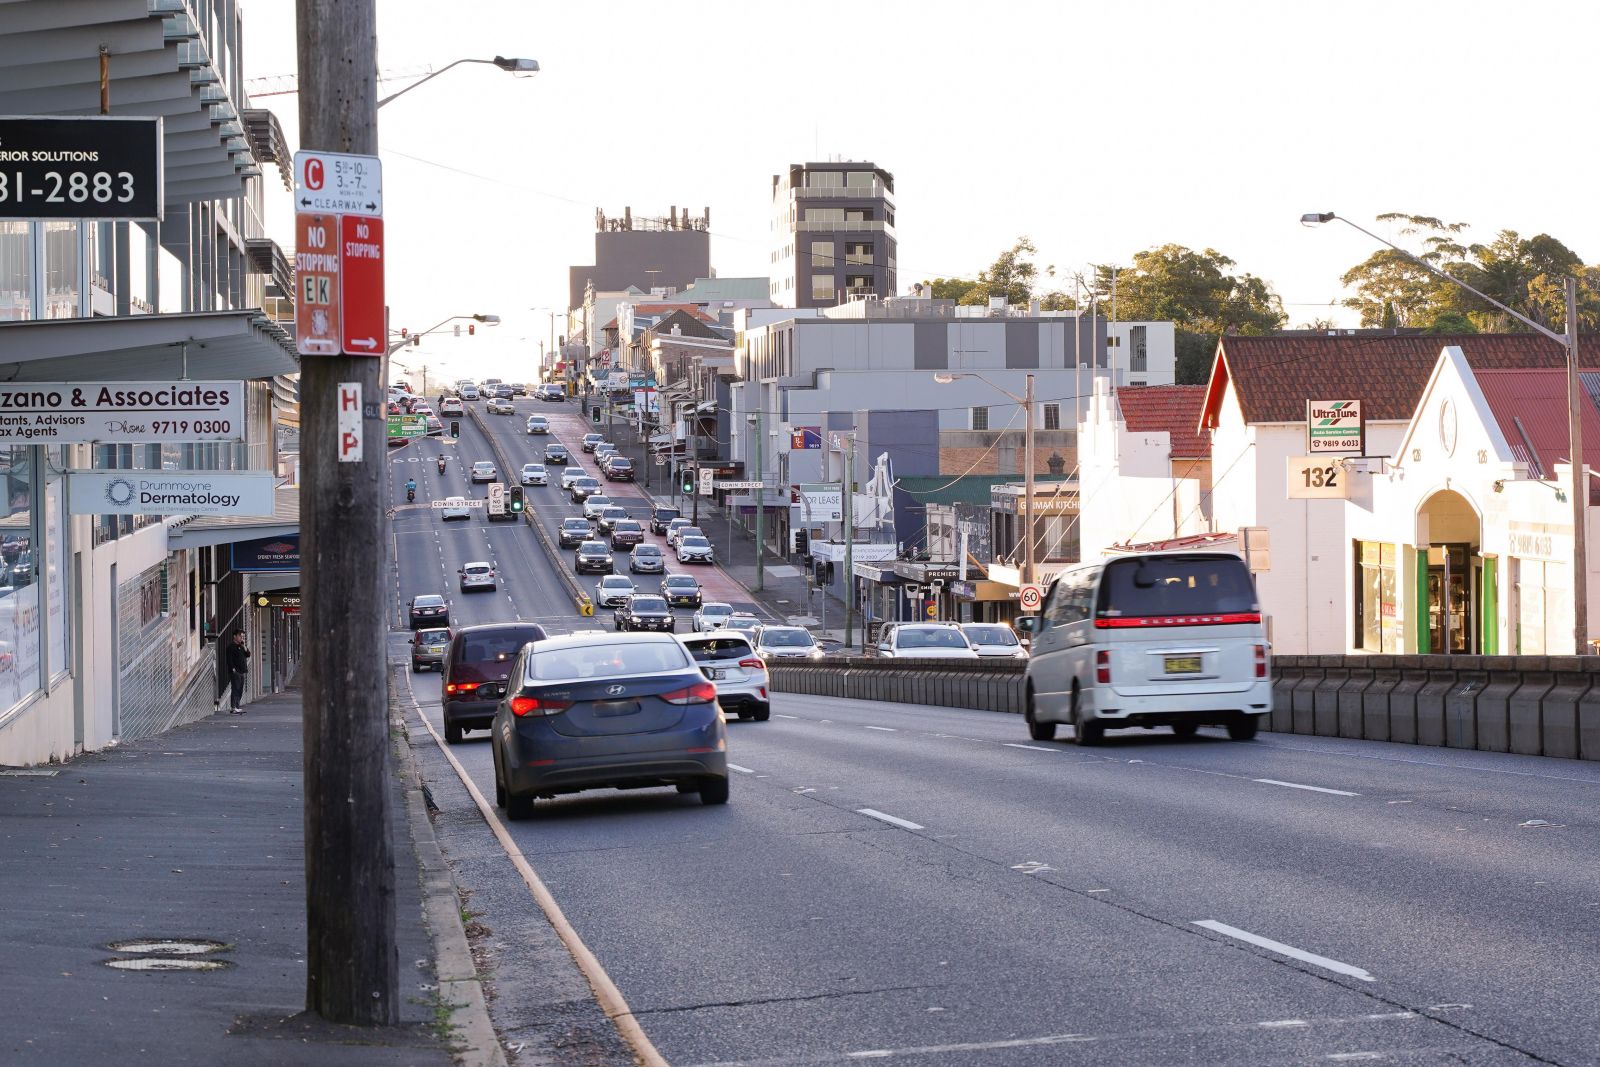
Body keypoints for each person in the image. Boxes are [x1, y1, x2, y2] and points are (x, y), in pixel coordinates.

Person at [226, 630, 250, 714]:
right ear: (235, 636)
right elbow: (229, 659)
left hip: (242, 671)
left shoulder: (241, 646)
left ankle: (237, 706)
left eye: (243, 636)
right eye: (240, 636)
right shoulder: (231, 647)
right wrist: (233, 669)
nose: (241, 638)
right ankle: (233, 707)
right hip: (235, 671)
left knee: (240, 689)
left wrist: (244, 646)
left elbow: (248, 654)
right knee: (235, 689)